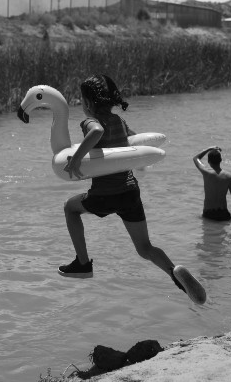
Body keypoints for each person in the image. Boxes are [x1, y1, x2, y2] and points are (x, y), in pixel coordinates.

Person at [59, 74, 206, 304]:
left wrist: (77, 158)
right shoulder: (119, 121)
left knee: (70, 207)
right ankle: (174, 272)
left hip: (105, 194)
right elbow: (135, 143)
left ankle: (83, 263)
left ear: (87, 102)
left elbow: (96, 132)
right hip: (130, 192)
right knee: (145, 247)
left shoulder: (90, 121)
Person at [194, 146, 231, 221]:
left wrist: (209, 149)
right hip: (223, 214)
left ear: (208, 161)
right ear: (221, 160)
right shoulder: (228, 177)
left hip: (209, 213)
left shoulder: (206, 172)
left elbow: (196, 158)